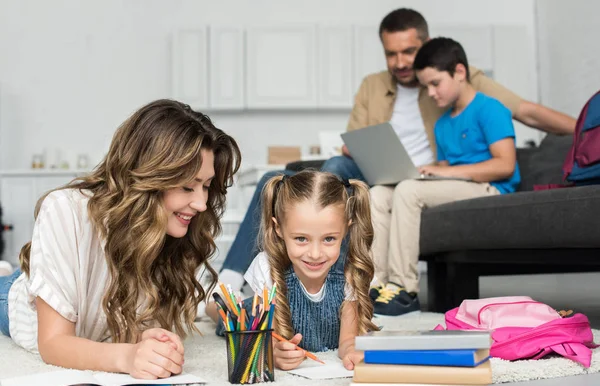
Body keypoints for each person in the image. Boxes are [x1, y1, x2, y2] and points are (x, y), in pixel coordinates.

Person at [217, 8, 576, 295]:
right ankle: (230, 283)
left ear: (428, 45)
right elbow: (352, 140)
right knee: (275, 180)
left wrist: (586, 129)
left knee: (371, 192)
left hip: (425, 175)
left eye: (409, 51)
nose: (401, 62)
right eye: (392, 54)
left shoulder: (454, 79)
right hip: (371, 169)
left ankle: (332, 286)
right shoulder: (373, 85)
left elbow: (525, 111)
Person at [0, 99, 241, 379]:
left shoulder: (173, 228)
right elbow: (53, 343)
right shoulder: (65, 209)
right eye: (188, 186)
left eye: (207, 187)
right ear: (148, 177)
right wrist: (127, 357)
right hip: (15, 300)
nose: (201, 203)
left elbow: (196, 297)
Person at [370, 37, 521, 316]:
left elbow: (506, 165)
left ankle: (403, 289)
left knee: (409, 190)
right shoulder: (442, 123)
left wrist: (443, 171)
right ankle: (376, 284)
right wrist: (427, 172)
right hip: (457, 186)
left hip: (490, 188)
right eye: (426, 86)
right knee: (378, 193)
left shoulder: (491, 109)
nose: (430, 93)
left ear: (460, 73)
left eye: (435, 83)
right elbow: (444, 169)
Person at [208, 171, 377, 371]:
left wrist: (352, 351)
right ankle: (210, 303)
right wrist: (273, 351)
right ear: (278, 228)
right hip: (251, 314)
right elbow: (265, 334)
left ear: (346, 230)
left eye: (329, 239)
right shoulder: (267, 266)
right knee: (229, 315)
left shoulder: (349, 271)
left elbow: (348, 339)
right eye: (301, 239)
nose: (315, 254)